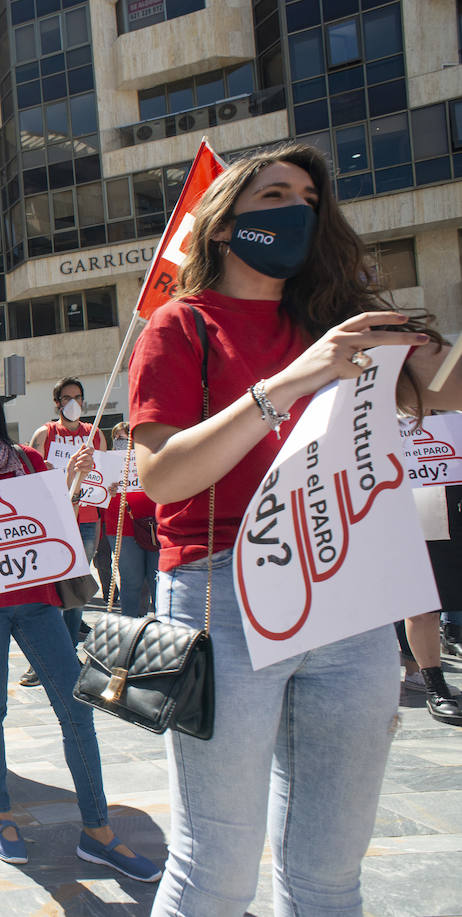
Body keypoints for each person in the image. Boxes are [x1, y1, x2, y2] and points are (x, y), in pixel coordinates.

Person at [129, 141, 460, 914]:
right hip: (223, 598)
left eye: (311, 202)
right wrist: (295, 378)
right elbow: (161, 476)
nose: (297, 212)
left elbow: (444, 392)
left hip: (347, 602)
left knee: (329, 873)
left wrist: (398, 328)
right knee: (215, 869)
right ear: (225, 225)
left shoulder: (338, 321)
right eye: (276, 194)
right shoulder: (182, 327)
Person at [0, 373, 161, 880]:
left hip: (35, 602)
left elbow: (57, 525)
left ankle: (98, 831)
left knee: (75, 707)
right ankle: (2, 817)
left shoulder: (29, 462)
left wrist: (72, 486)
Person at [23, 376, 104, 685]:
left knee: (77, 590)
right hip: (54, 520)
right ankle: (43, 656)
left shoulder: (94, 435)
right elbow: (30, 477)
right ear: (57, 403)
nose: (74, 403)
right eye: (67, 397)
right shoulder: (45, 434)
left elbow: (104, 477)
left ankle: (68, 653)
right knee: (50, 590)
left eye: (79, 397)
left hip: (85, 520)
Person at [104, 421, 159, 618]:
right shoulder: (107, 464)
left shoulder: (150, 458)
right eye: (119, 440)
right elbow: (95, 497)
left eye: (129, 440)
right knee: (131, 581)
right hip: (122, 528)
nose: (125, 444)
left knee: (157, 581)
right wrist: (106, 491)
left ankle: (165, 630)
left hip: (153, 525)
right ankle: (130, 630)